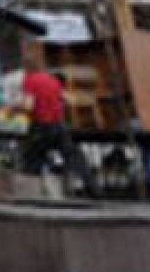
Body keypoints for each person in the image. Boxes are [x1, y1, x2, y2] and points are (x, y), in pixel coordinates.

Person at [16, 46, 96, 197]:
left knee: (31, 158)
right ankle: (93, 189)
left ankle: (30, 194)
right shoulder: (51, 79)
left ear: (26, 68)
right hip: (59, 126)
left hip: (40, 126)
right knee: (74, 157)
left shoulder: (30, 80)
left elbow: (28, 106)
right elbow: (69, 100)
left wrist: (15, 109)